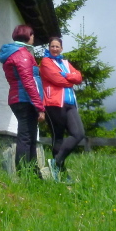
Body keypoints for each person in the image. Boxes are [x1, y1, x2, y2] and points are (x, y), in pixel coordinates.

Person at [0, 24, 45, 174]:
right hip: (25, 99)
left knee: (30, 135)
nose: (33, 38)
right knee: (26, 137)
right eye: (32, 35)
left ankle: (33, 172)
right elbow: (28, 82)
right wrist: (39, 106)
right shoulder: (22, 54)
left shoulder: (13, 52)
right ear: (27, 36)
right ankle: (24, 173)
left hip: (18, 98)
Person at [40, 36, 85, 182]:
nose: (54, 49)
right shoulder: (46, 62)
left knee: (78, 134)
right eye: (52, 46)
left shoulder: (65, 63)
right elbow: (56, 80)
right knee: (58, 137)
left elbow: (79, 77)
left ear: (61, 48)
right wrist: (70, 79)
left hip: (70, 103)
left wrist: (66, 75)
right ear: (49, 48)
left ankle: (56, 162)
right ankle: (60, 173)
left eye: (57, 46)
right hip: (53, 103)